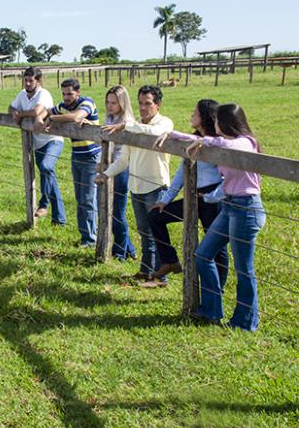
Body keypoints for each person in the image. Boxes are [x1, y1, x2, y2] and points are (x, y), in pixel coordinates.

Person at [177, 104, 265, 331]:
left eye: (217, 121)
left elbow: (228, 144)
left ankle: (245, 322)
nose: (214, 125)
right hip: (229, 205)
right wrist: (173, 136)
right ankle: (212, 310)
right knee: (203, 254)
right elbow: (229, 182)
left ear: (225, 123)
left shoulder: (246, 141)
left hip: (246, 209)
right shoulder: (224, 143)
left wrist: (204, 140)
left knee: (244, 268)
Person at [143, 99, 229, 289]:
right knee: (155, 216)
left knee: (217, 248)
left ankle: (218, 291)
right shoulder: (193, 141)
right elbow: (181, 174)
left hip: (212, 200)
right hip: (193, 198)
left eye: (195, 113)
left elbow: (227, 177)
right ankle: (170, 261)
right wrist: (165, 200)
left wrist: (212, 196)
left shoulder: (218, 145)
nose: (192, 115)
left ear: (205, 117)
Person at [95, 85, 173, 282]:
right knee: (144, 232)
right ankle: (147, 271)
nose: (143, 107)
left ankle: (160, 277)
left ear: (158, 104)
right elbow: (123, 159)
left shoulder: (164, 122)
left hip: (155, 186)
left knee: (156, 233)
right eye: (140, 103)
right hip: (137, 187)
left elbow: (155, 132)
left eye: (148, 103)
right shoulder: (134, 125)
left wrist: (126, 126)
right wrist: (106, 174)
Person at [45, 78, 100, 246]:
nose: (66, 97)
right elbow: (47, 111)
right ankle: (86, 235)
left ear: (78, 92)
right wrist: (47, 119)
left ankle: (91, 239)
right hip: (77, 155)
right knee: (80, 198)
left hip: (92, 157)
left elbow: (76, 117)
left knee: (88, 199)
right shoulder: (63, 106)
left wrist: (53, 118)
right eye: (63, 94)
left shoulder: (87, 102)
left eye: (70, 94)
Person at [9, 66, 66, 225]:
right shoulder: (22, 94)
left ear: (38, 81)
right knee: (49, 175)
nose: (27, 83)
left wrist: (21, 114)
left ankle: (43, 204)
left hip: (52, 140)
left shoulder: (44, 94)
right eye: (25, 80)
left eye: (30, 80)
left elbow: (37, 111)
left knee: (46, 167)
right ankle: (59, 219)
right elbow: (11, 106)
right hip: (38, 144)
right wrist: (14, 112)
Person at [101, 85, 137, 260]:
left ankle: (119, 252)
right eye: (108, 102)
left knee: (117, 212)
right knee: (110, 209)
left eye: (114, 102)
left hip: (122, 168)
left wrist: (123, 125)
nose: (110, 106)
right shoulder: (109, 117)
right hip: (109, 166)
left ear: (122, 103)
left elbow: (133, 125)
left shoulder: (126, 119)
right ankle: (129, 249)